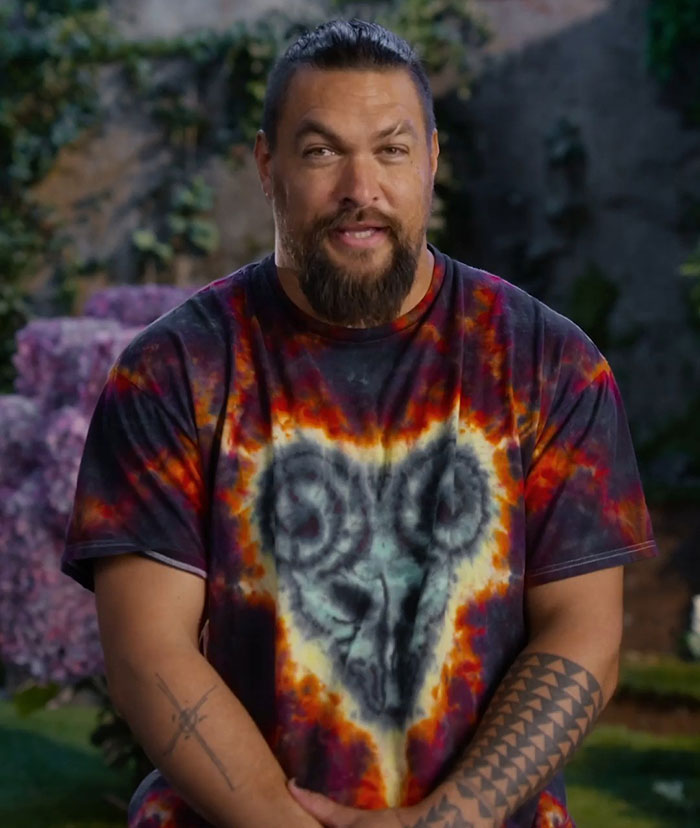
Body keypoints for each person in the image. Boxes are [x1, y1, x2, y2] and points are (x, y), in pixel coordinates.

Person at [62, 18, 657, 828]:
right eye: (321, 152)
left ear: (432, 162)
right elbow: (147, 656)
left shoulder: (547, 363)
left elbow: (583, 633)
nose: (360, 188)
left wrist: (454, 818)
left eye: (391, 149)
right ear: (267, 167)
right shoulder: (176, 373)